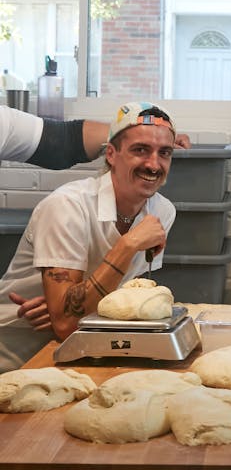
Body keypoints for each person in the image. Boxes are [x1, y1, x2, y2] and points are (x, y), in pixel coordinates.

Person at [0, 102, 179, 371]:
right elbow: (66, 325)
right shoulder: (67, 207)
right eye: (140, 150)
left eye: (164, 153)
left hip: (88, 346)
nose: (154, 165)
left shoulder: (162, 211)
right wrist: (128, 244)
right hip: (18, 355)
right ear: (111, 154)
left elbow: (118, 301)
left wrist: (69, 309)